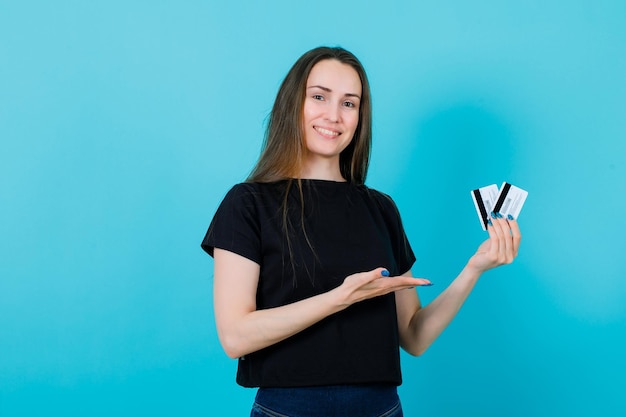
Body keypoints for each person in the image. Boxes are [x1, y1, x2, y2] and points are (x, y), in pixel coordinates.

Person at [201, 46, 521, 417]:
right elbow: (235, 336)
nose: (333, 116)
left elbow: (414, 336)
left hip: (380, 408)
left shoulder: (380, 209)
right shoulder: (247, 204)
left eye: (349, 103)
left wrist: (473, 270)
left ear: (360, 117)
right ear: (293, 104)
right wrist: (340, 298)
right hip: (288, 409)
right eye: (319, 97)